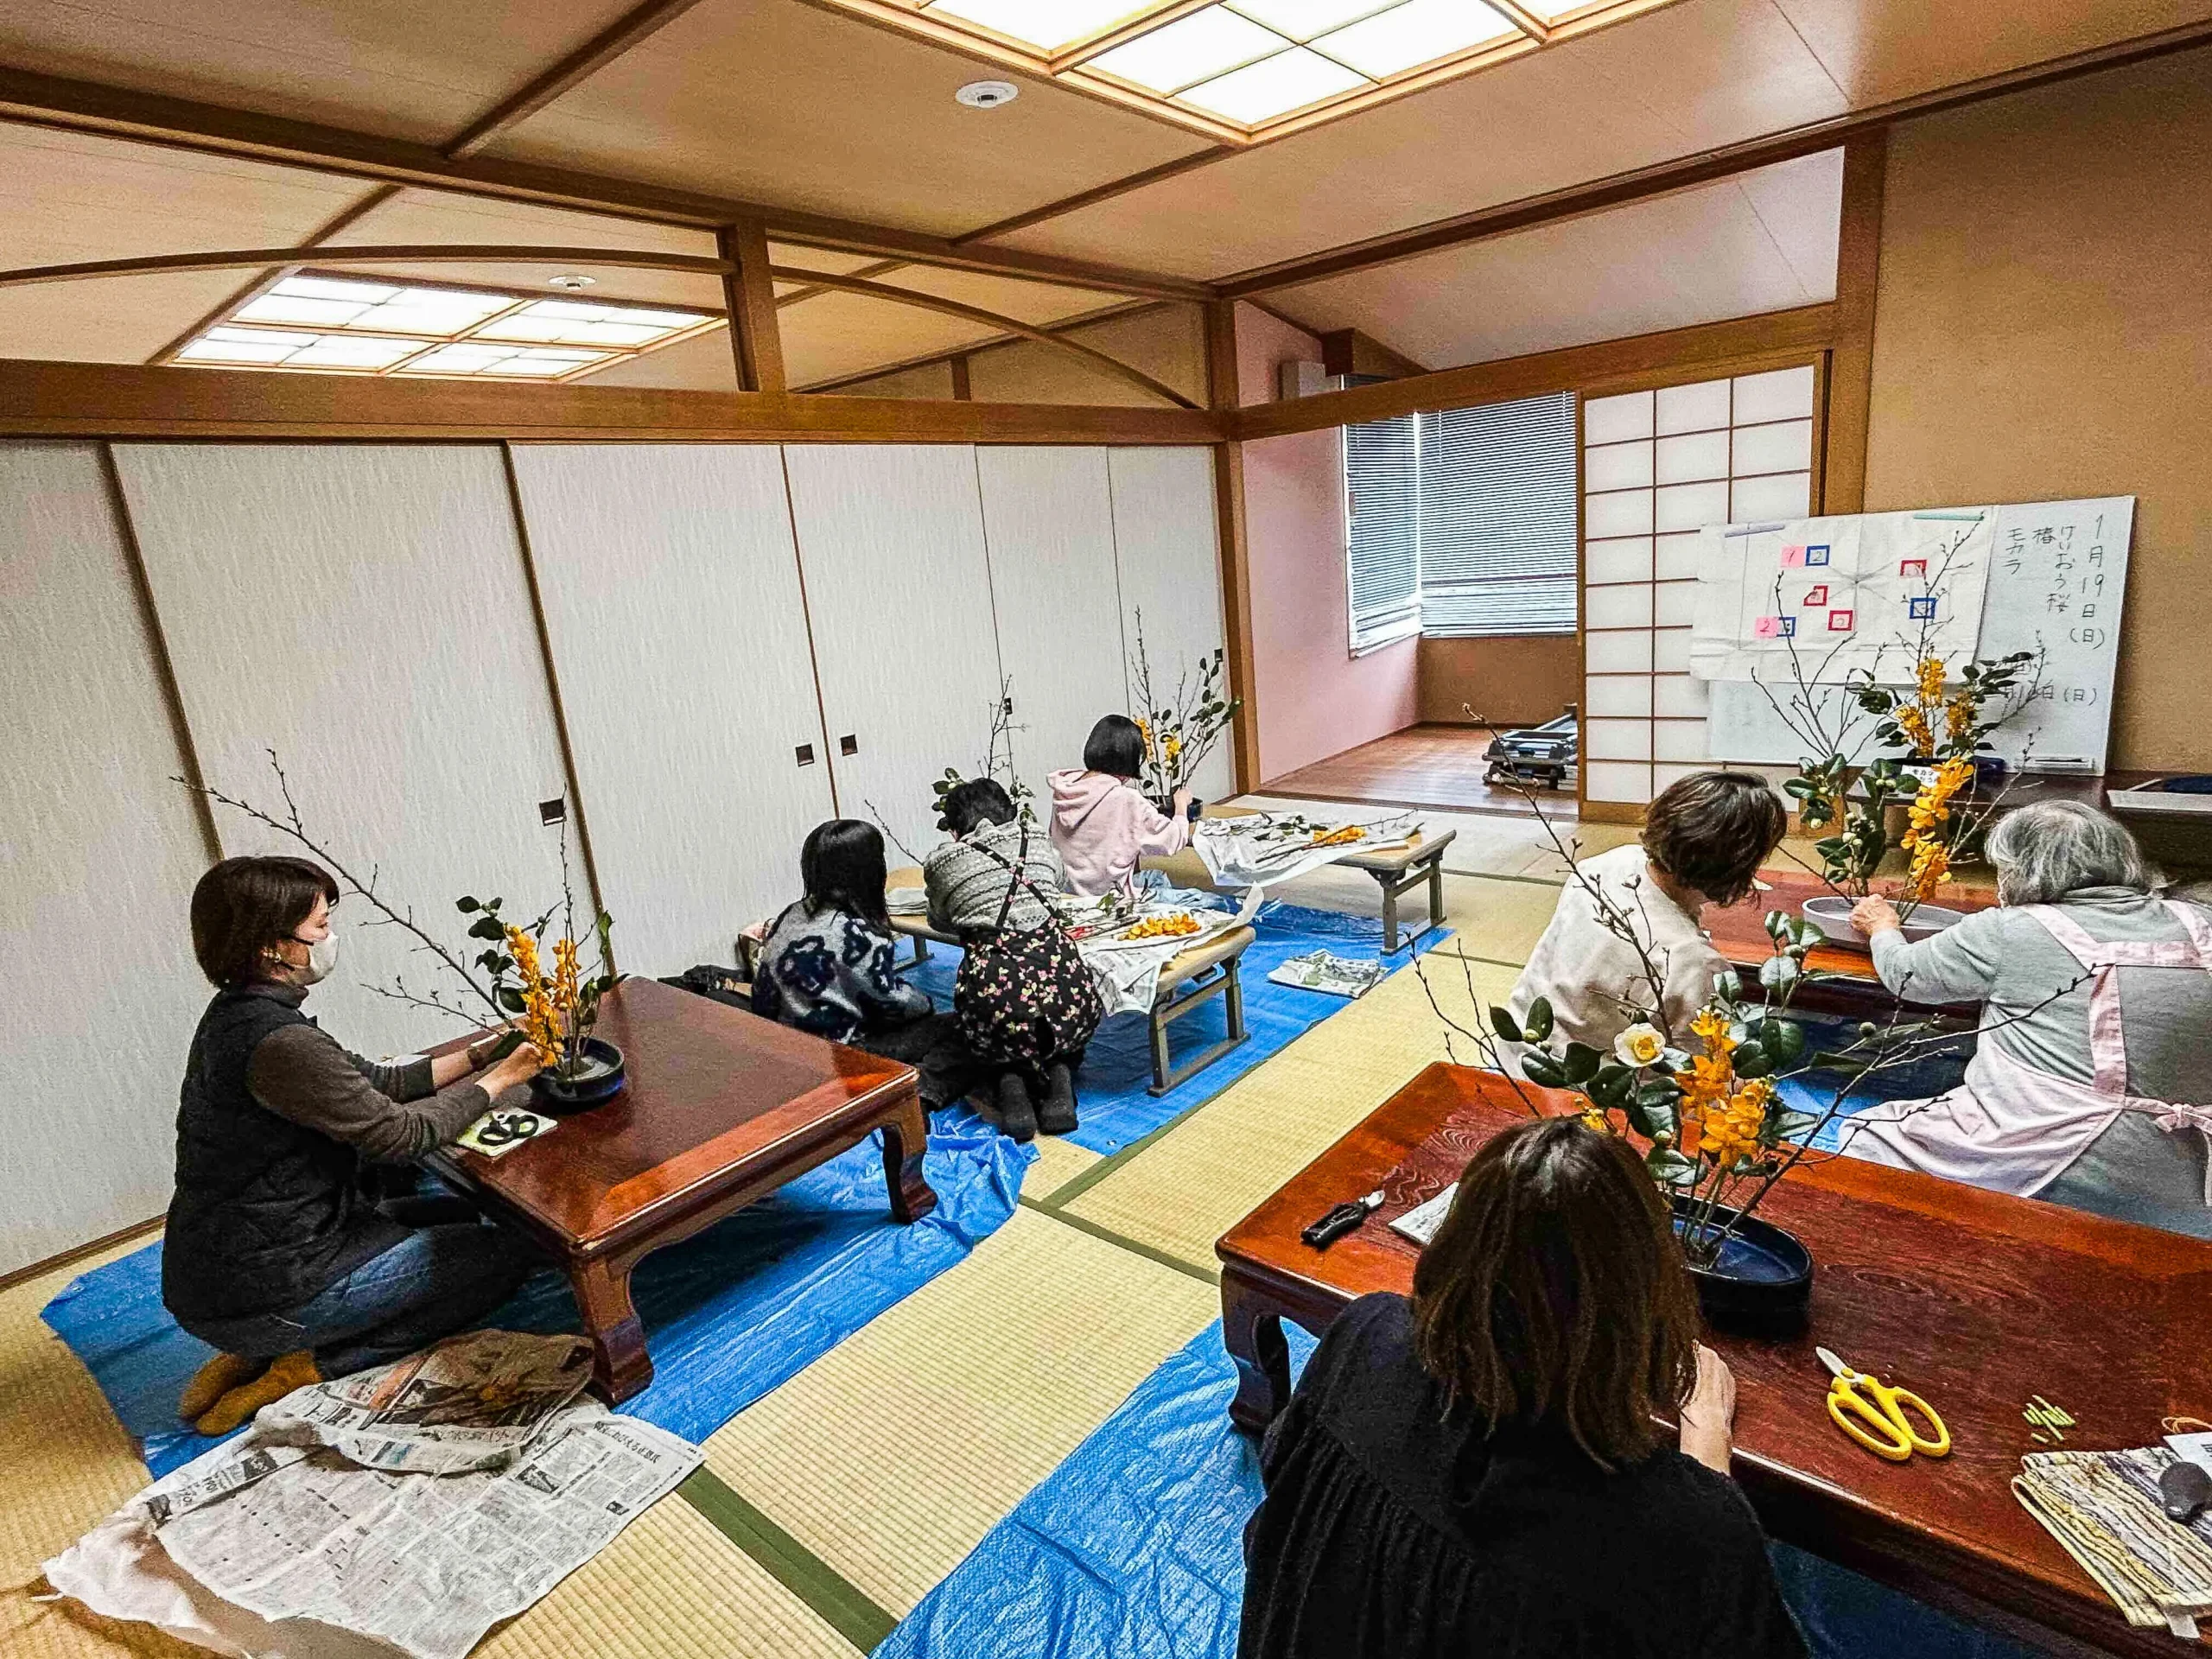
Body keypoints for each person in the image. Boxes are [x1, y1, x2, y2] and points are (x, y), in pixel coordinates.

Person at [1239, 1116, 1803, 1658]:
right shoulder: (1683, 1535)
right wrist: (1706, 1443)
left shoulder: (1367, 1332)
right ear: (1645, 1305)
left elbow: (1278, 1502)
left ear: (1452, 1250)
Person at [167, 856, 547, 1436]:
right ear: (274, 946)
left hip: (228, 1272)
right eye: (320, 926)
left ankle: (255, 1346)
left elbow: (379, 1080)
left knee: (457, 1212)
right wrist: (499, 1081)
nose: (329, 938)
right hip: (268, 1286)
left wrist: (483, 1051)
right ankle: (301, 1363)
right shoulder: (281, 1045)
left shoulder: (239, 1018)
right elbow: (401, 1135)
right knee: (506, 1254)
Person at [1840, 800, 2212, 1236]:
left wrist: (1883, 926)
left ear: (2021, 869)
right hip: (2193, 1176)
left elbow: (1907, 977)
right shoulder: (2201, 920)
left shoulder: (2009, 929)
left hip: (2067, 1152)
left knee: (1864, 1135)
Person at [1510, 771, 1786, 1052]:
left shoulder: (1603, 864)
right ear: (1738, 867)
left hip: (1516, 1042)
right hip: (1570, 1088)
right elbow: (1696, 1070)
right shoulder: (1694, 964)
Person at [925, 779, 1103, 1140]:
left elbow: (940, 920)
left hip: (996, 990)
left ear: (956, 828)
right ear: (1009, 812)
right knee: (1058, 1013)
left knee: (988, 1022)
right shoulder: (1036, 838)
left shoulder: (943, 861)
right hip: (1067, 983)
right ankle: (1059, 1073)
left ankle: (1009, 1085)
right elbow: (1058, 882)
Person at [753, 819, 966, 1104]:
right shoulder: (853, 934)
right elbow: (894, 1004)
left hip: (783, 1047)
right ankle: (922, 1090)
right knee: (967, 1026)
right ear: (869, 871)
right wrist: (926, 1004)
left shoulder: (792, 913)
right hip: (836, 1058)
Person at [1048, 714, 1193, 899]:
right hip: (1112, 904)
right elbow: (1173, 840)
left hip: (1072, 899)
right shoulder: (1126, 799)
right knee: (1221, 903)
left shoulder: (1066, 791)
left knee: (1156, 877)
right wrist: (1181, 806)